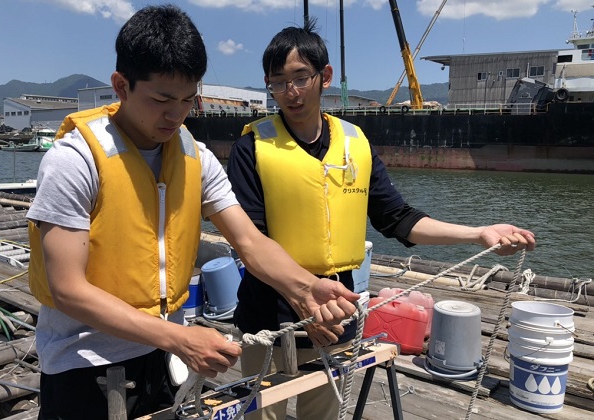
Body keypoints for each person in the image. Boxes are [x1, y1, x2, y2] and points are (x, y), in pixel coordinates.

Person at [25, 5, 360, 419]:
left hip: (162, 357)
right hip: (83, 363)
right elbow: (67, 289)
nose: (176, 114)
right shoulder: (74, 161)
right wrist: (180, 339)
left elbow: (250, 241)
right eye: (162, 98)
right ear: (121, 86)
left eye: (187, 99)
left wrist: (305, 288)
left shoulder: (194, 157)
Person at [227, 19, 536, 420]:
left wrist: (478, 234)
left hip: (339, 315)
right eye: (278, 82)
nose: (291, 92)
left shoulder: (356, 143)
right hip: (268, 320)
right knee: (259, 415)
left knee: (321, 415)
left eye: (301, 78)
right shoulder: (251, 147)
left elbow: (399, 219)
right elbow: (251, 241)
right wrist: (303, 299)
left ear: (325, 76)